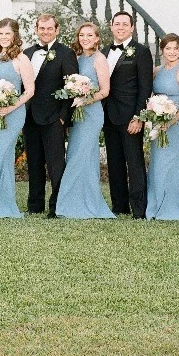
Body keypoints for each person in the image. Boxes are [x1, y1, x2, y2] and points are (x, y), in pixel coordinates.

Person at [55, 22, 115, 219]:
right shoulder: (76, 57)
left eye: (90, 35)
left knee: (84, 156)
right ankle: (72, 202)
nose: (85, 38)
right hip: (77, 114)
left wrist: (84, 98)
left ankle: (85, 203)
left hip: (91, 114)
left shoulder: (100, 59)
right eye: (82, 35)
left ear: (97, 38)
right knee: (75, 155)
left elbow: (105, 90)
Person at [23, 13, 78, 217]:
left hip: (54, 117)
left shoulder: (66, 53)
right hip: (30, 117)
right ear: (36, 30)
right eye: (41, 28)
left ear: (57, 30)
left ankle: (57, 206)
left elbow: (72, 86)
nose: (45, 32)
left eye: (49, 29)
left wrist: (63, 117)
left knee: (56, 164)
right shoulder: (27, 53)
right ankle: (35, 205)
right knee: (34, 162)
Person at [0, 18, 34, 218]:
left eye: (7, 34)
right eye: (0, 33)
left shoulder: (21, 58)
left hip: (14, 113)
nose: (3, 37)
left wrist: (10, 107)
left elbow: (29, 91)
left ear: (15, 36)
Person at [102, 11, 154, 218]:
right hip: (108, 115)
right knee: (114, 162)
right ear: (111, 27)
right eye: (117, 24)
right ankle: (119, 205)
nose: (121, 27)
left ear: (132, 28)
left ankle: (139, 208)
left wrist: (139, 117)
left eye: (125, 24)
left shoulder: (141, 52)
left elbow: (145, 87)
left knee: (134, 163)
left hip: (131, 116)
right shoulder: (105, 51)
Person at [147, 33, 179, 221]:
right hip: (158, 121)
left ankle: (174, 207)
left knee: (171, 163)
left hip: (175, 123)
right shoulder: (157, 71)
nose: (172, 52)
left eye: (176, 48)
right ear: (162, 51)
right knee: (157, 163)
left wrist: (171, 121)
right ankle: (156, 205)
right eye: (168, 48)